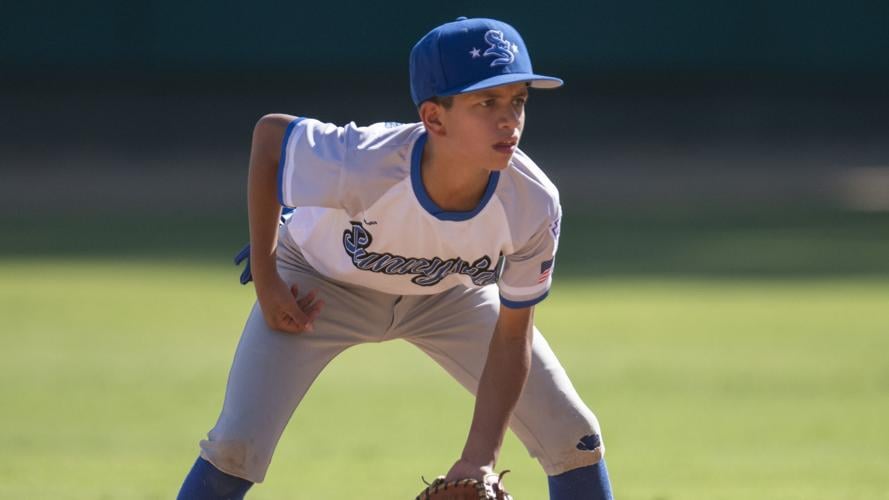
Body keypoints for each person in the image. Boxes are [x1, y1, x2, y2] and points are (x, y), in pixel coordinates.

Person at [177, 16, 613, 500]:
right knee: (235, 447)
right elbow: (270, 140)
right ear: (434, 118)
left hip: (451, 297)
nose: (508, 119)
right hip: (320, 286)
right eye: (486, 102)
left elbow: (514, 336)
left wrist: (481, 457)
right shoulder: (364, 162)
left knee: (574, 436)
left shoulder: (532, 201)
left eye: (518, 101)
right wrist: (267, 270)